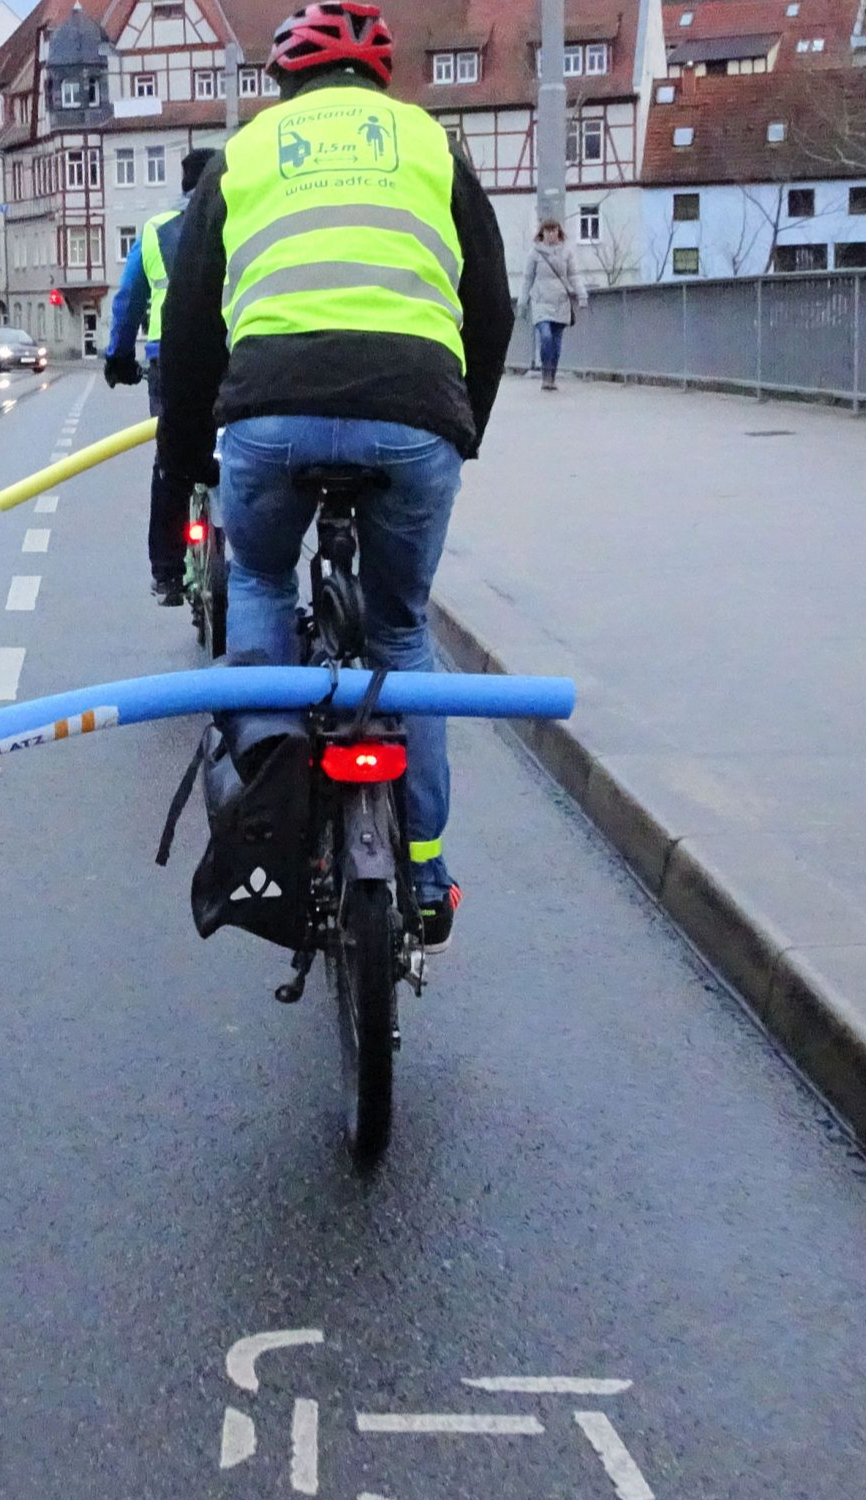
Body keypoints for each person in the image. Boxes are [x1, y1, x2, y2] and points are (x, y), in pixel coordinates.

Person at [156, 0, 513, 950]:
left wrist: (187, 452)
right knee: (401, 635)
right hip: (414, 415)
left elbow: (191, 325)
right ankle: (428, 869)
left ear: (286, 81)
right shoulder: (433, 145)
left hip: (270, 412)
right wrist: (460, 423)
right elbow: (492, 299)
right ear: (380, 80)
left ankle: (266, 809)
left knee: (264, 578)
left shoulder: (249, 152)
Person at [102, 147, 220, 606]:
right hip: (233, 352)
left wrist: (117, 358)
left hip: (170, 359)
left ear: (185, 184)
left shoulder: (155, 230)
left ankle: (168, 571)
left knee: (171, 458)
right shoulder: (240, 215)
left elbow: (129, 299)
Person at [521, 220, 585, 390]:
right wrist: (522, 302)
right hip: (541, 301)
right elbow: (527, 278)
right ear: (542, 233)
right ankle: (545, 374)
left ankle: (551, 376)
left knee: (556, 342)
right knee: (546, 336)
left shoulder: (567, 252)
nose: (551, 234)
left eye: (554, 230)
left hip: (560, 301)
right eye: (547, 231)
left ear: (559, 232)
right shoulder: (535, 253)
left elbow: (574, 275)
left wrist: (582, 294)